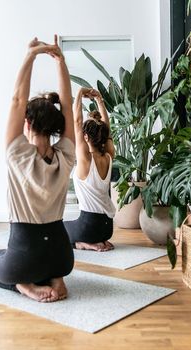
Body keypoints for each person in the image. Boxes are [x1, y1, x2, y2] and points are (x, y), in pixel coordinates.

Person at [0, 35, 75, 302]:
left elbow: (16, 99)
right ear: (56, 126)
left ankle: (24, 287)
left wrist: (30, 55)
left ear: (26, 123)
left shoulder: (17, 153)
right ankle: (56, 279)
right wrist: (60, 61)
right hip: (62, 257)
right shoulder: (66, 156)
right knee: (46, 263)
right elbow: (68, 104)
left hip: (24, 259)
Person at [64, 87, 116, 252]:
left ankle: (83, 243)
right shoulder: (108, 156)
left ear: (85, 137)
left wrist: (79, 93)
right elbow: (108, 130)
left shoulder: (85, 159)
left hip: (89, 228)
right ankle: (97, 241)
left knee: (55, 228)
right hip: (107, 229)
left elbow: (77, 122)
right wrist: (100, 101)